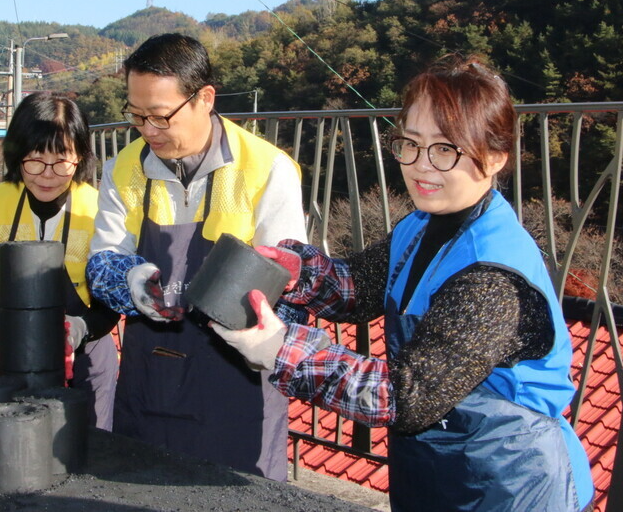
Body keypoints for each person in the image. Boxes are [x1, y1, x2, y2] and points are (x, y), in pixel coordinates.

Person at [213, 55, 595, 511]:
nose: (420, 165)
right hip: (435, 466)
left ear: (494, 157)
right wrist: (298, 271)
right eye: (409, 144)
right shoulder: (420, 225)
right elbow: (360, 288)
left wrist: (281, 349)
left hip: (507, 480)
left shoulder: (493, 275)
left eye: (445, 149)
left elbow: (404, 396)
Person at [85, 33, 307, 480]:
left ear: (205, 98)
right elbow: (102, 259)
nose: (148, 130)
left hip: (238, 380)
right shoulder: (124, 168)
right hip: (153, 373)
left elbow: (290, 281)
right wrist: (131, 284)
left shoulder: (266, 168)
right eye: (137, 115)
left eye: (161, 116)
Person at [0, 92, 120, 430]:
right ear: (16, 156)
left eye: (61, 161)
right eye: (35, 160)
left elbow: (111, 300)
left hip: (88, 351)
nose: (47, 175)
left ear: (81, 157)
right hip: (15, 351)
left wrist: (80, 331)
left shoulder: (101, 209)